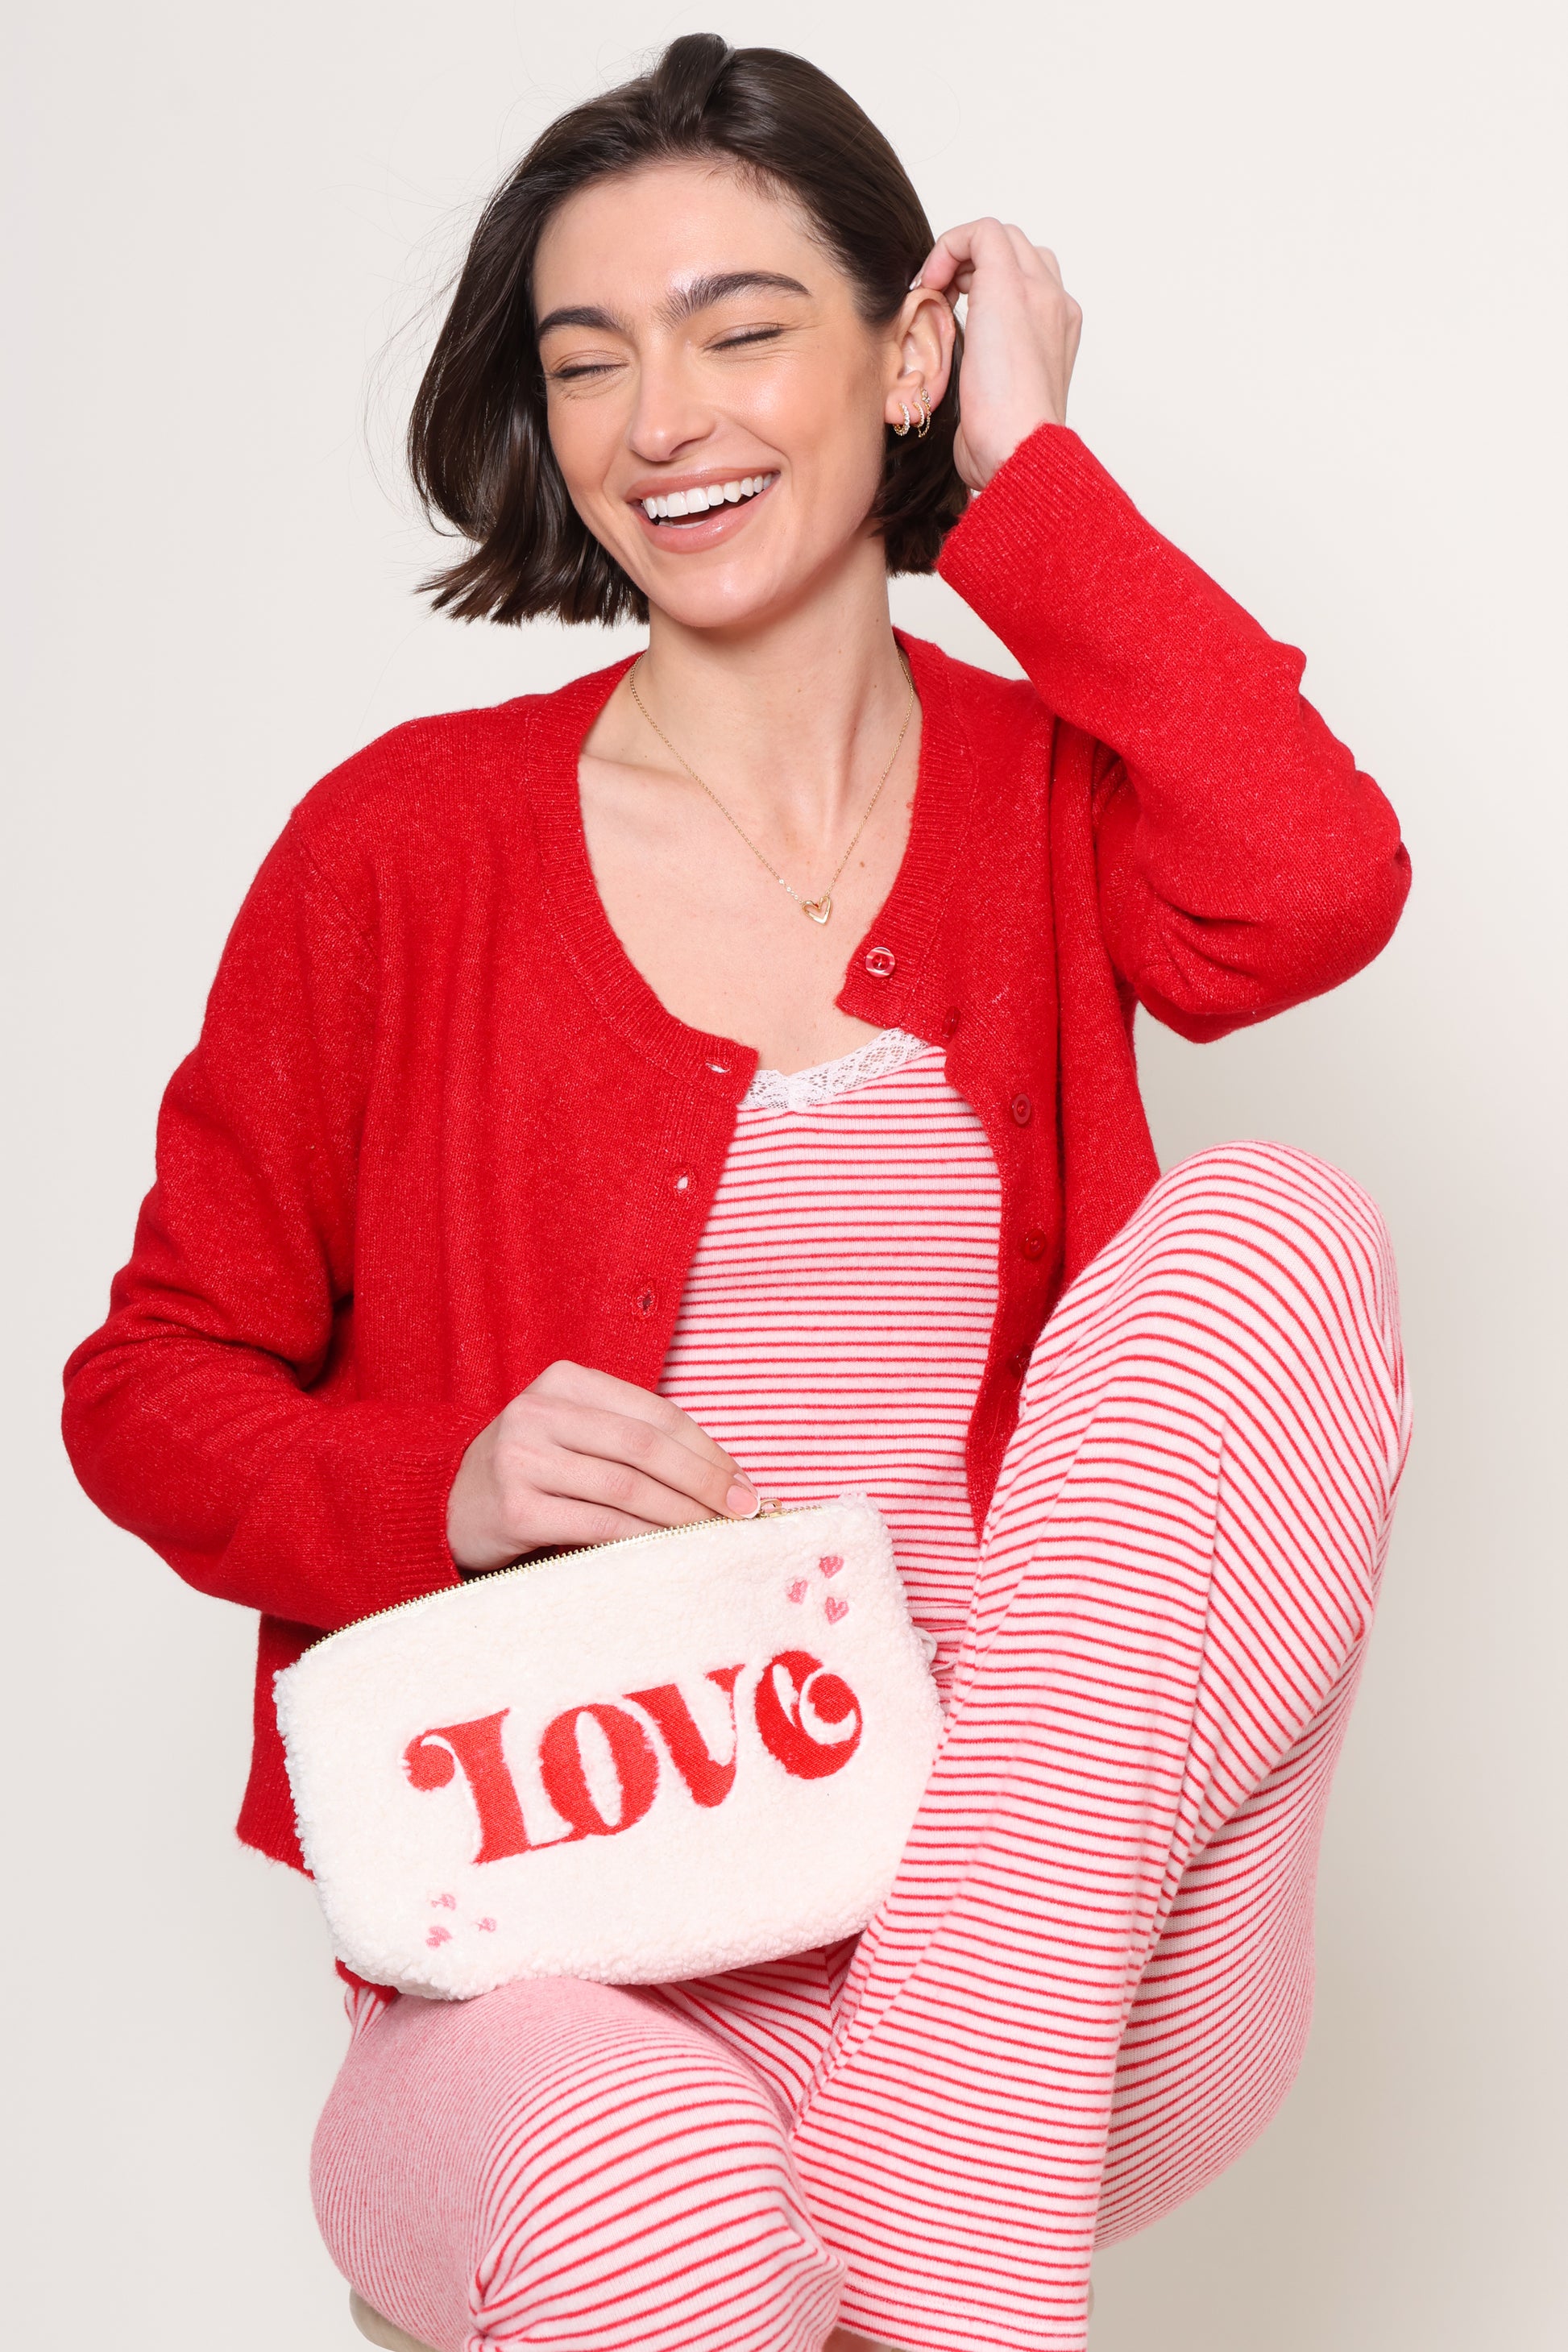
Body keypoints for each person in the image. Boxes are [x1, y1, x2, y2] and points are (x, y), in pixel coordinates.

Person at [61, 33, 1412, 2352]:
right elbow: (148, 1387)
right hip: (570, 1959)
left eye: (740, 329)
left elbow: (1312, 887)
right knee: (659, 2199)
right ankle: (915, 2240)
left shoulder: (1045, 799)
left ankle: (930, 2160)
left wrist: (1036, 479)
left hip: (1049, 1945)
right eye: (590, 360)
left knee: (1267, 1237)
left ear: (907, 357)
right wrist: (441, 1489)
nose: (659, 419)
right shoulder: (402, 848)